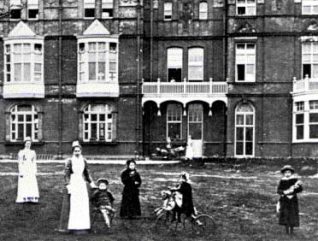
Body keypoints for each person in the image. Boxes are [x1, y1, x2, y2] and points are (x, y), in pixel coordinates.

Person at [65, 141, 96, 234]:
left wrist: (92, 183)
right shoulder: (69, 161)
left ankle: (84, 225)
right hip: (74, 182)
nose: (77, 152)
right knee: (75, 204)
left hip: (81, 183)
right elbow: (66, 174)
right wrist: (68, 185)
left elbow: (87, 173)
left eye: (78, 151)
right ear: (73, 152)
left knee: (83, 203)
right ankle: (74, 226)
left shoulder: (84, 160)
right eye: (75, 151)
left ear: (81, 151)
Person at [277, 165, 303, 235]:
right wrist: (283, 192)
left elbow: (300, 189)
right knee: (285, 214)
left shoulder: (295, 180)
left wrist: (295, 188)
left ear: (291, 173)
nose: (287, 174)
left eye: (289, 172)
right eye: (285, 172)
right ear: (283, 173)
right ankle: (286, 230)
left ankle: (291, 230)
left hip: (292, 200)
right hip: (285, 200)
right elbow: (279, 190)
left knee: (292, 214)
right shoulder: (282, 181)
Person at [16, 136, 39, 204]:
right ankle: (24, 197)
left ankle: (31, 197)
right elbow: (20, 162)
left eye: (29, 143)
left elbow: (34, 162)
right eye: (27, 143)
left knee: (31, 182)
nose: (28, 145)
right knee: (24, 182)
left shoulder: (33, 152)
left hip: (30, 169)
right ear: (25, 144)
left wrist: (35, 170)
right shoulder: (21, 152)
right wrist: (21, 171)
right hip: (24, 168)